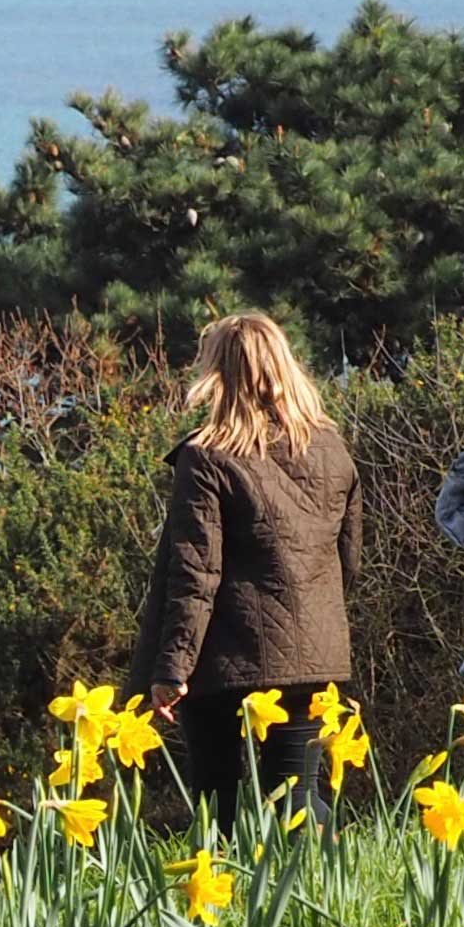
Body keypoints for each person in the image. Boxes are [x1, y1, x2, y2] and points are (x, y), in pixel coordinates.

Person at [135, 312, 360, 811]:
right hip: (313, 654)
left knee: (219, 804)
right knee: (298, 799)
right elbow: (349, 558)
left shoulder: (207, 457)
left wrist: (171, 670)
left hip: (223, 661)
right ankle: (323, 885)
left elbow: (195, 575)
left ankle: (233, 888)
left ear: (217, 374)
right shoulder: (331, 449)